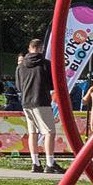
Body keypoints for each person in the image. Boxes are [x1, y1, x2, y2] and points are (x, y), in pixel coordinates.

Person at [15, 39, 61, 174]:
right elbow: (52, 84)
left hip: (26, 102)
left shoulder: (21, 65)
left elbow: (18, 86)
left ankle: (35, 162)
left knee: (32, 132)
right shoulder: (46, 64)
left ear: (30, 48)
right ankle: (50, 162)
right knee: (49, 132)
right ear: (41, 49)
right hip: (41, 100)